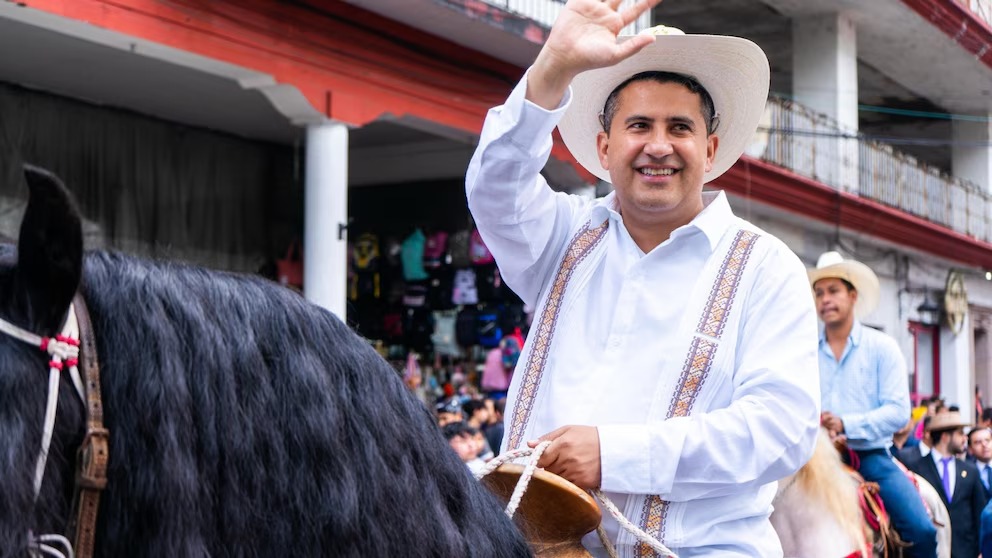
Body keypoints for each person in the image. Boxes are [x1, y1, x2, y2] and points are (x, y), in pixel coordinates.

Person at [465, 1, 820, 555]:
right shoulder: (563, 238)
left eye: (679, 126)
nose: (659, 145)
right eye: (639, 126)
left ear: (710, 149)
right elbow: (494, 188)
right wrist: (553, 67)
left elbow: (781, 430)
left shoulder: (765, 267)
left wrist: (614, 455)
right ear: (605, 149)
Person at [810, 251, 938, 557]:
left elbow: (898, 412)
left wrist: (846, 424)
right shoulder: (805, 353)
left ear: (853, 296)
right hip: (813, 463)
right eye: (819, 293)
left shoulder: (882, 347)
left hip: (871, 458)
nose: (825, 299)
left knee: (921, 530)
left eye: (833, 291)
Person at [909, 411, 987, 558]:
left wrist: (982, 548)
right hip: (933, 549)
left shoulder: (969, 470)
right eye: (959, 434)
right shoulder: (917, 468)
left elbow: (979, 512)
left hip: (966, 550)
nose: (964, 438)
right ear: (945, 437)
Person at [967, 426, 992, 499]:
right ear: (970, 449)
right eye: (978, 442)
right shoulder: (968, 472)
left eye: (987, 440)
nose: (984, 445)